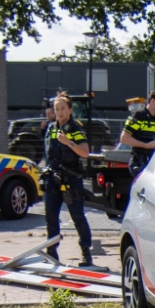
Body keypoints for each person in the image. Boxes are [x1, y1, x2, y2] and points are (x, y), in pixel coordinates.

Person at [43, 92, 93, 266]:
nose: (60, 112)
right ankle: (52, 253)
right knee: (50, 216)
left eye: (63, 108)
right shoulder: (51, 128)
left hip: (71, 178)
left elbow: (85, 152)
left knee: (77, 216)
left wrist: (69, 143)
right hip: (54, 177)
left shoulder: (75, 128)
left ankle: (86, 254)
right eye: (57, 109)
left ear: (70, 110)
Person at [120, 90, 155, 178]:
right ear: (153, 101)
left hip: (152, 162)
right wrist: (145, 145)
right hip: (138, 162)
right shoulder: (138, 116)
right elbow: (124, 138)